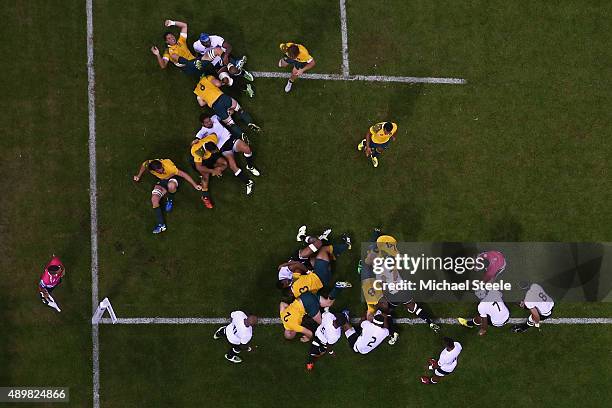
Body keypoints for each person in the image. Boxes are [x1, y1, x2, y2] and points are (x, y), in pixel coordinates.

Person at [133, 159, 202, 233]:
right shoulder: (148, 164)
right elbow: (143, 165)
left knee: (171, 186)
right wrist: (138, 175)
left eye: (162, 169)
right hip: (163, 180)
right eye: (159, 171)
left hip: (172, 177)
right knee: (154, 199)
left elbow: (183, 174)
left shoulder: (169, 166)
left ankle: (170, 199)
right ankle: (161, 225)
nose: (162, 171)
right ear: (154, 170)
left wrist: (195, 185)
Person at [194, 75, 261, 140]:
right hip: (223, 98)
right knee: (239, 110)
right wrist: (222, 82)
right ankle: (250, 123)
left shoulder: (197, 90)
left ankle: (242, 135)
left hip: (215, 106)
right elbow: (218, 84)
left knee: (230, 124)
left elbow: (201, 104)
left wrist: (208, 98)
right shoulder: (207, 78)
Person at [195, 114, 260, 178]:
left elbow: (225, 114)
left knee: (247, 148)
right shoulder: (202, 132)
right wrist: (195, 141)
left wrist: (230, 112)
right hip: (223, 148)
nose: (210, 122)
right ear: (203, 124)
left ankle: (250, 166)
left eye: (209, 120)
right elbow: (196, 140)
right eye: (207, 122)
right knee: (233, 166)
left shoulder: (215, 118)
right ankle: (247, 182)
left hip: (230, 139)